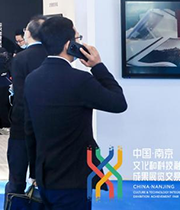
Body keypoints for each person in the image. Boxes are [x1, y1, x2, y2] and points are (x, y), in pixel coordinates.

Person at [24, 16, 128, 209]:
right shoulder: (80, 80)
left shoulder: (32, 79)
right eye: (78, 38)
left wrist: (35, 173)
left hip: (45, 177)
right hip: (74, 179)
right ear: (68, 45)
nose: (80, 43)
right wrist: (97, 66)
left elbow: (29, 130)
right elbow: (118, 103)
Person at [6, 16, 47, 198]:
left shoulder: (20, 58)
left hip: (22, 120)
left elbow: (20, 93)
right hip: (47, 122)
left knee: (17, 174)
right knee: (44, 175)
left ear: (28, 33)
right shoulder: (52, 56)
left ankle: (15, 202)